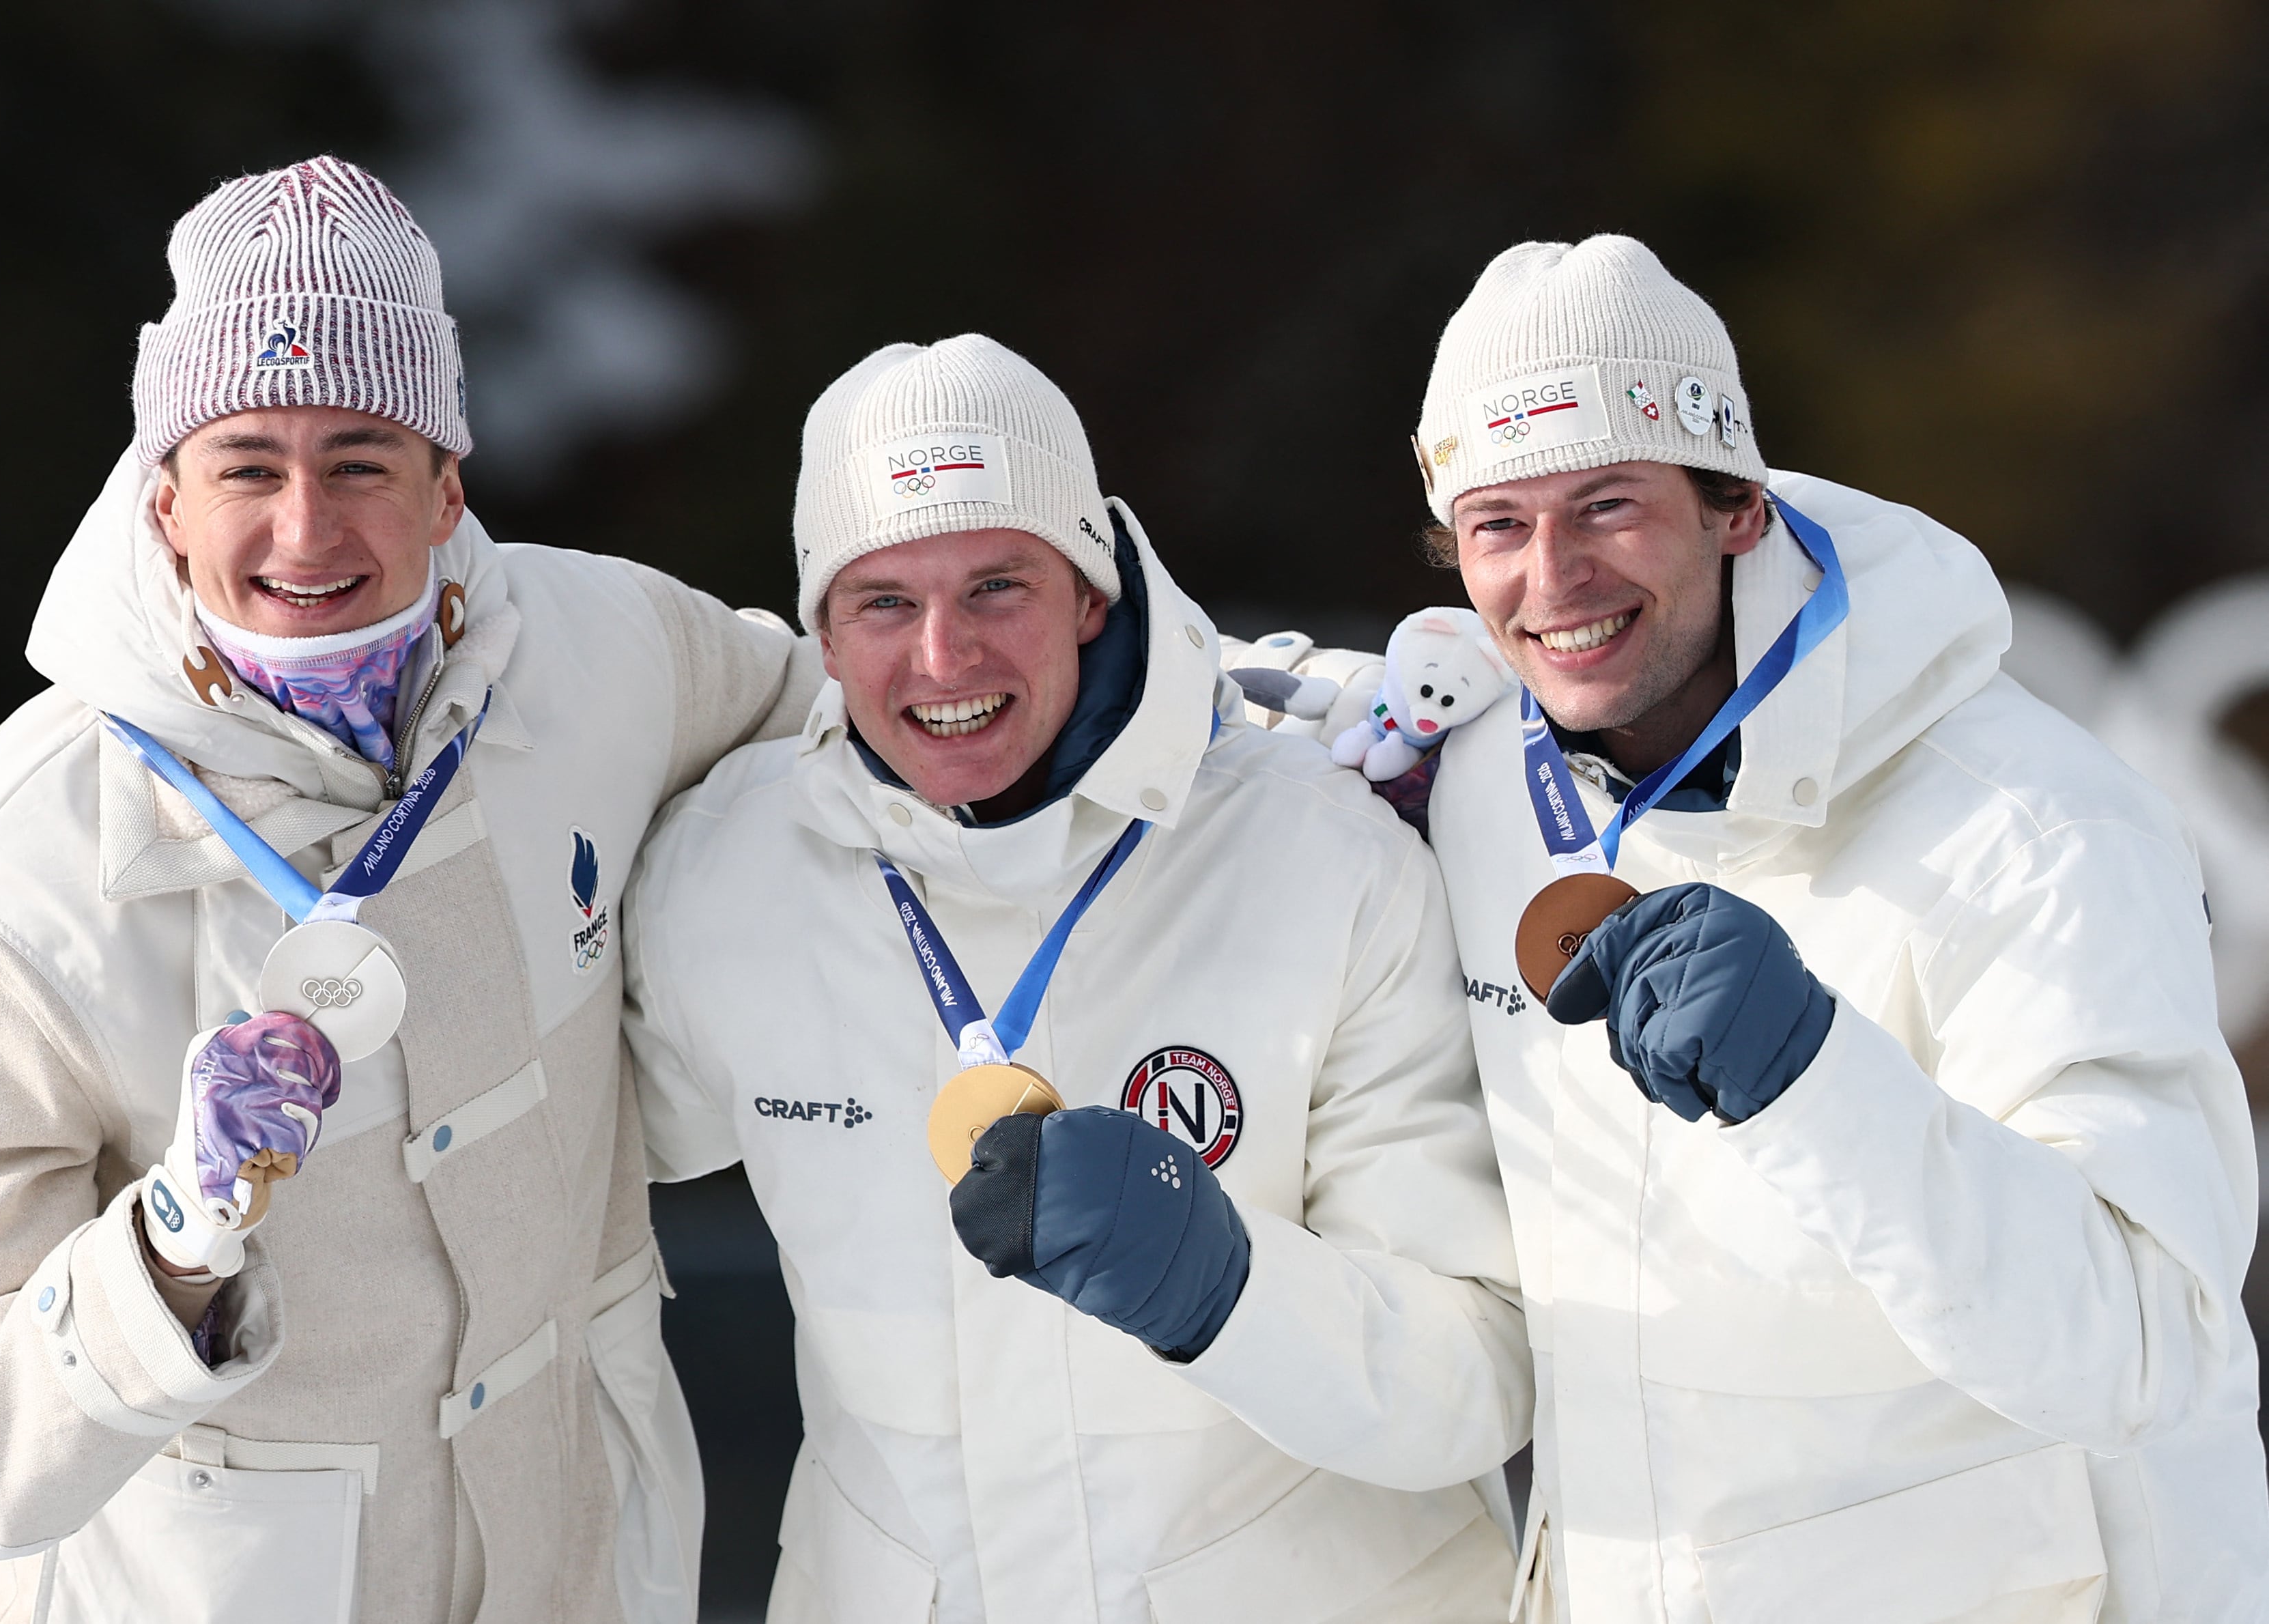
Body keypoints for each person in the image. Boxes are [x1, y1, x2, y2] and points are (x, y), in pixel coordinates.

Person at [0, 156, 821, 1623]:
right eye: (249, 463)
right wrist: (174, 1241)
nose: (307, 530)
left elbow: (875, 725)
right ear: (163, 498)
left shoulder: (605, 646)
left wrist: (1205, 722)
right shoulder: (6, 878)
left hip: (579, 1555)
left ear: (449, 489)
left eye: (361, 458)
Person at [1252, 236, 2269, 1621]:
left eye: (1607, 502)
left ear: (1734, 503)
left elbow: (2152, 1342)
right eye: (1498, 522)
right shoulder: (1485, 770)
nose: (1552, 576)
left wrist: (1817, 1078)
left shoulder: (2031, 828)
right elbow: (1228, 698)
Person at [622, 334, 1533, 1623]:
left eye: (997, 587)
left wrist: (1225, 1290)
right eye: (884, 601)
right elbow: (550, 1170)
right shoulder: (727, 875)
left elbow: (1482, 1373)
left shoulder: (1320, 854)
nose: (944, 660)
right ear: (820, 632)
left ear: (1092, 594)